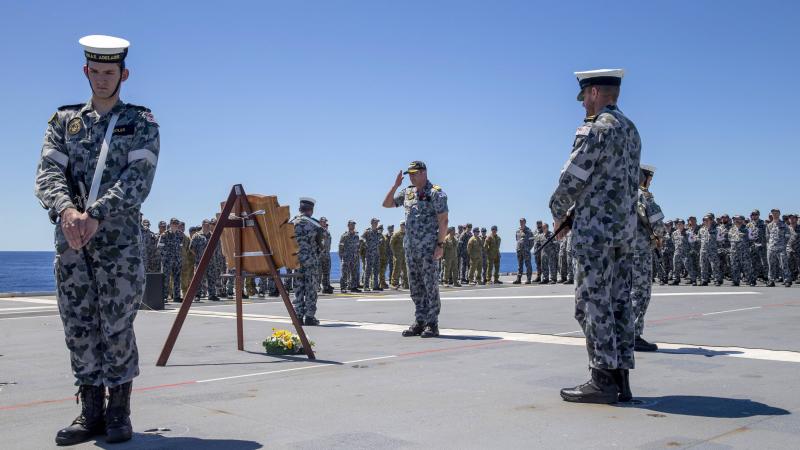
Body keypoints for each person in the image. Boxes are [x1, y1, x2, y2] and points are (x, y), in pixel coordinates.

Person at [35, 35, 158, 444]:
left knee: (117, 326)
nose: (102, 79)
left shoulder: (141, 122)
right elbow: (48, 174)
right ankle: (90, 413)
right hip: (72, 243)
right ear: (86, 72)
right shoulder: (63, 121)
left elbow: (138, 180)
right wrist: (68, 212)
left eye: (110, 73)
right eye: (96, 72)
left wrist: (98, 213)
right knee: (79, 326)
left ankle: (119, 412)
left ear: (124, 74)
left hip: (117, 245)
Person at [549, 68, 640, 404]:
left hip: (596, 232)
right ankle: (621, 378)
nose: (583, 103)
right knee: (618, 303)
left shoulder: (597, 128)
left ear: (597, 92)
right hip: (623, 231)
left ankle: (602, 379)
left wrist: (559, 210)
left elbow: (574, 174)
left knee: (591, 304)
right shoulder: (631, 130)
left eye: (585, 96)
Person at [383, 161, 448, 338]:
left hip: (428, 249)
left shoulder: (436, 193)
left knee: (430, 286)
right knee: (415, 287)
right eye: (409, 174)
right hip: (410, 248)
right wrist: (396, 185)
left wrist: (440, 245)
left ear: (424, 173)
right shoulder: (408, 192)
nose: (411, 176)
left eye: (414, 173)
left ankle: (432, 323)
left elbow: (443, 221)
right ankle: (420, 321)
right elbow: (387, 204)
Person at [631, 164, 665, 352]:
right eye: (649, 179)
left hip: (624, 250)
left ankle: (622, 333)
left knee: (625, 293)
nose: (650, 183)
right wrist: (660, 237)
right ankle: (633, 336)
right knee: (640, 293)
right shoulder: (643, 195)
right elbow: (657, 223)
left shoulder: (624, 194)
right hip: (640, 250)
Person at [290, 198, 324, 325]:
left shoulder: (291, 223)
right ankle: (309, 317)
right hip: (311, 261)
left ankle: (298, 317)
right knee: (311, 288)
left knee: (298, 288)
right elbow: (321, 244)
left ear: (300, 209)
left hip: (296, 260)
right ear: (311, 210)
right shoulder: (315, 224)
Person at [158, 218, 183, 302]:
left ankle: (176, 296)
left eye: (176, 223)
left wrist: (179, 257)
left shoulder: (180, 234)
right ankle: (164, 296)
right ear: (170, 224)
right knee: (166, 278)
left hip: (177, 260)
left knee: (177, 278)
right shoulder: (165, 235)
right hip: (167, 260)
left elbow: (181, 247)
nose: (175, 225)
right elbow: (160, 248)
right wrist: (165, 257)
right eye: (174, 223)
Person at [766, 208, 792, 287]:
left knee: (784, 265)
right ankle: (771, 280)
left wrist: (783, 244)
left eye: (776, 213)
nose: (775, 214)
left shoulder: (784, 225)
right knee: (771, 265)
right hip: (771, 248)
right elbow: (767, 237)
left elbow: (788, 236)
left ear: (779, 214)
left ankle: (787, 280)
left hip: (781, 248)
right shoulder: (769, 225)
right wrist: (770, 245)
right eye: (773, 213)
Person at [339, 220, 361, 293]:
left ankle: (353, 287)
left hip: (354, 257)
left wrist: (357, 255)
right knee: (344, 273)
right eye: (351, 225)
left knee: (354, 273)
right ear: (348, 226)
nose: (353, 226)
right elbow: (340, 247)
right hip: (346, 257)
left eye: (354, 225)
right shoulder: (344, 236)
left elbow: (358, 247)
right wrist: (341, 257)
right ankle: (343, 287)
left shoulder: (356, 236)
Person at [514, 218, 534, 284]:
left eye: (522, 221)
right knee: (520, 265)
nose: (521, 222)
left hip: (526, 251)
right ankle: (518, 279)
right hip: (519, 250)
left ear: (525, 222)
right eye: (520, 221)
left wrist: (528, 248)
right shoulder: (517, 231)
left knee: (528, 265)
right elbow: (517, 240)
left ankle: (528, 279)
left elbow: (532, 241)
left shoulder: (529, 231)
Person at [390, 222, 409, 289]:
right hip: (398, 255)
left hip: (405, 255)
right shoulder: (396, 234)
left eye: (405, 225)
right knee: (396, 269)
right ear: (400, 226)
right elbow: (391, 244)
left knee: (405, 269)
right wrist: (394, 253)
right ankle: (394, 283)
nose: (404, 226)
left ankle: (406, 284)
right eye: (402, 225)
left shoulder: (407, 234)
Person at [318, 217, 334, 294]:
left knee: (326, 272)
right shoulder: (317, 231)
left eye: (325, 222)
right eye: (323, 222)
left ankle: (326, 287)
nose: (324, 223)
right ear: (320, 222)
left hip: (327, 254)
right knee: (318, 272)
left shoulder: (327, 232)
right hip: (320, 255)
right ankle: (317, 287)